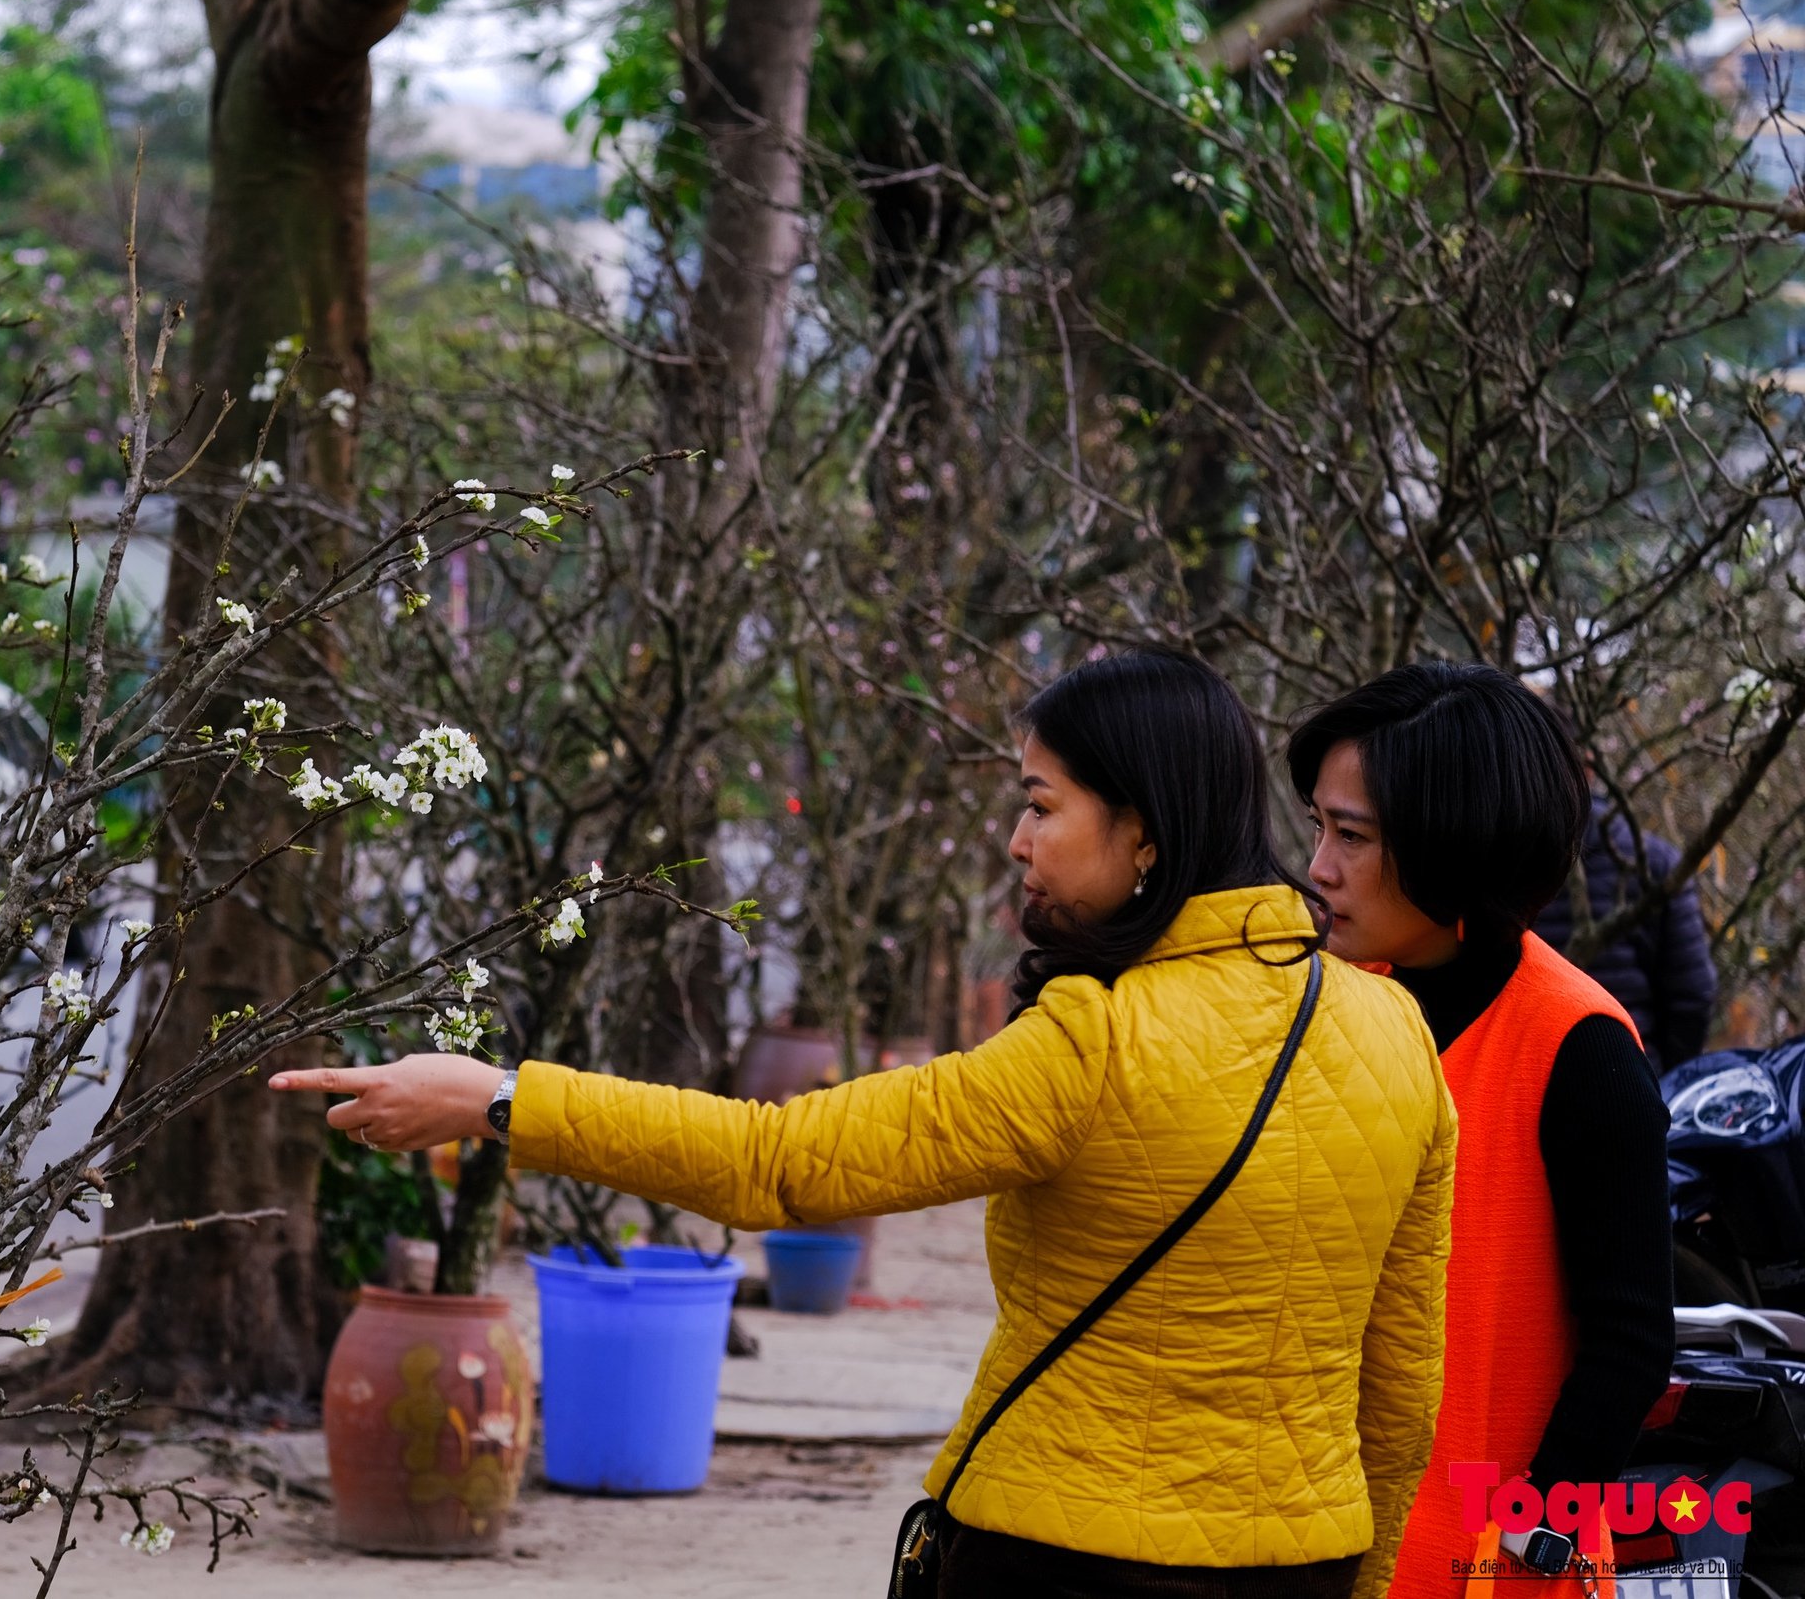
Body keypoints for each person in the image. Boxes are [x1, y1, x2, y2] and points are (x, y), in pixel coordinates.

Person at [276, 650, 1456, 1599]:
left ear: (1142, 832)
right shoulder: (1395, 1034)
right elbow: (1401, 1385)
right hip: (1301, 1558)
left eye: (1041, 804)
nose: (1015, 836)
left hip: (1061, 1554)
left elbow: (775, 1165)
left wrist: (497, 1097)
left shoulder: (1096, 1038)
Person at [1287, 665, 1673, 1597]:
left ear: (1449, 846)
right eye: (1318, 825)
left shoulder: (1579, 1048)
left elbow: (1631, 1344)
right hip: (1307, 1541)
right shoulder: (1323, 1005)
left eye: (1352, 835)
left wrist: (1535, 1524)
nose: (1319, 866)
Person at [1531, 800, 1718, 1073]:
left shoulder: (1501, 859)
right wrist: (1664, 1079)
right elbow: (1693, 999)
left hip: (1530, 1076)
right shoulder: (1660, 862)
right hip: (1636, 1072)